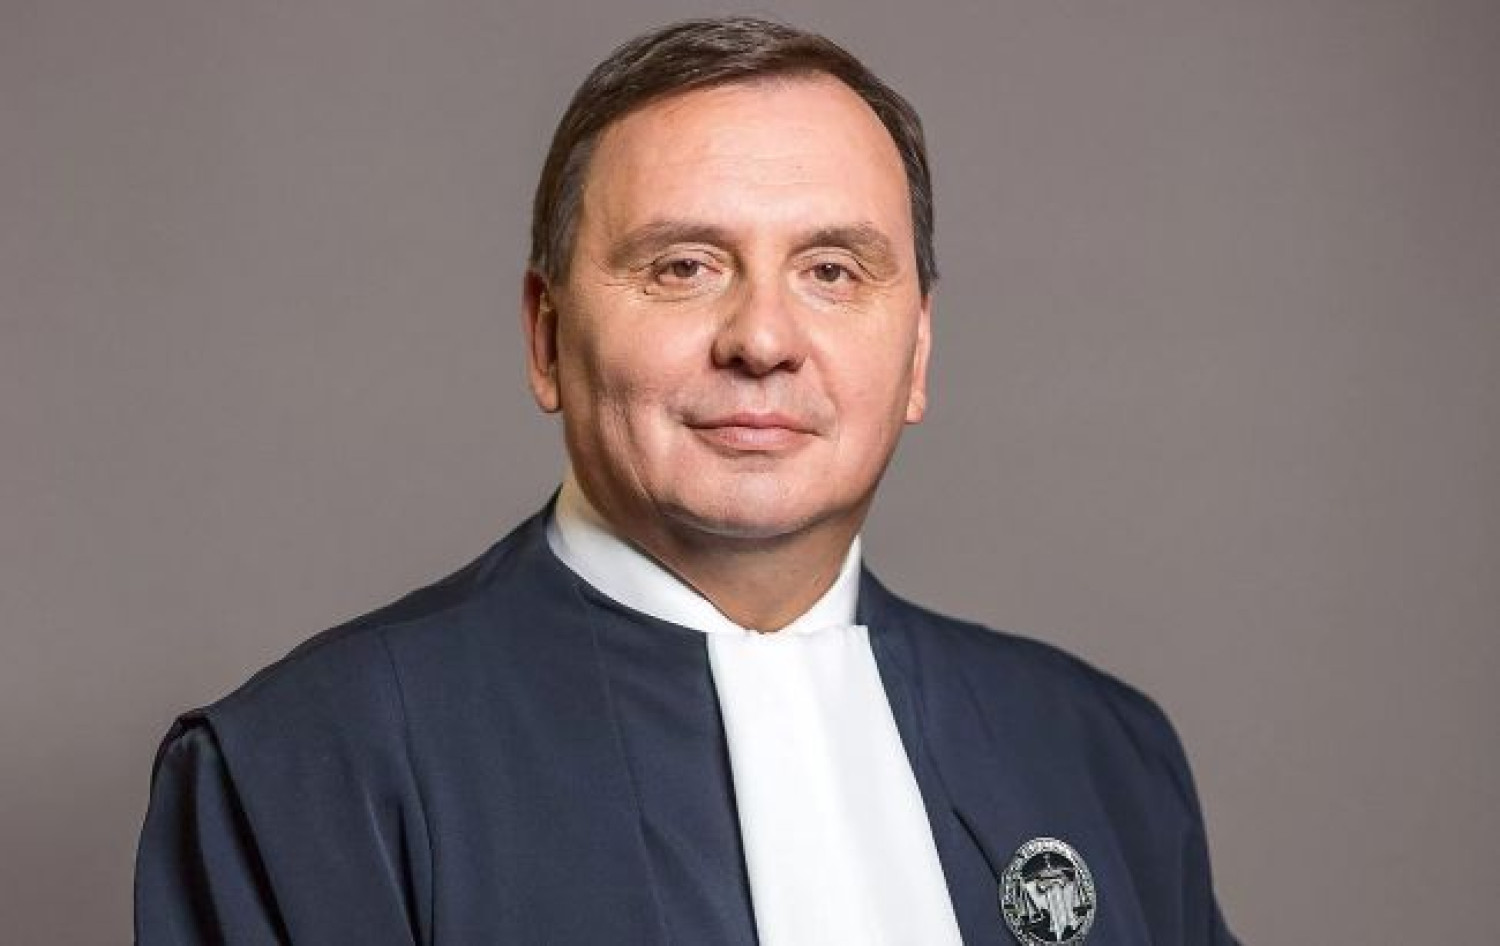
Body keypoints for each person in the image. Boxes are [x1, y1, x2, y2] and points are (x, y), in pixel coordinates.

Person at [134, 16, 1236, 945]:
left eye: (831, 270)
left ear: (918, 355)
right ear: (546, 336)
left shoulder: (1101, 752)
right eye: (684, 266)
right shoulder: (301, 770)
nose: (763, 339)